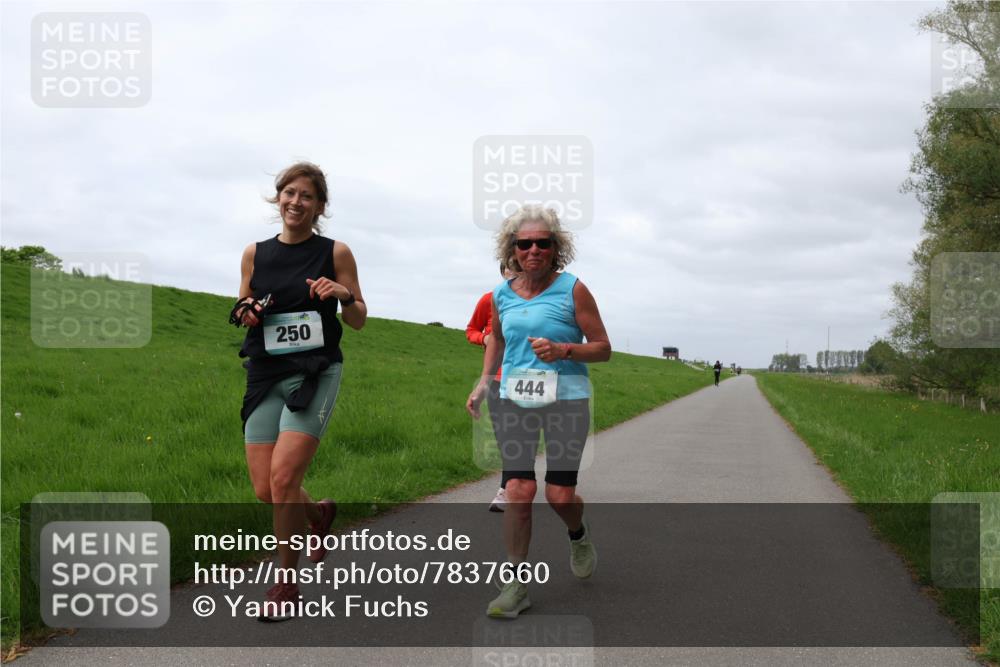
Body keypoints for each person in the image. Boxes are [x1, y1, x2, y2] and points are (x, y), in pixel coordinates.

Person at [230, 161, 367, 621]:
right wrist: (247, 311)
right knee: (265, 489)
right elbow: (243, 302)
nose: (296, 202)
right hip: (265, 372)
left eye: (306, 196)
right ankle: (318, 517)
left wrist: (342, 295)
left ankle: (286, 583)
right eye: (289, 193)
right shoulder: (254, 253)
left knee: (284, 479)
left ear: (320, 206)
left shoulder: (336, 252)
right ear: (278, 198)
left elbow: (359, 318)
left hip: (315, 371)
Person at [466, 205, 611, 619]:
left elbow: (603, 347)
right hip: (512, 397)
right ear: (512, 249)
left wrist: (565, 349)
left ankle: (577, 533)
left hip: (567, 398)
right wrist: (483, 381)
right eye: (524, 243)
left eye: (542, 243)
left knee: (559, 495)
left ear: (555, 248)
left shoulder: (573, 290)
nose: (533, 250)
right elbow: (495, 339)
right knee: (518, 489)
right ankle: (515, 585)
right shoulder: (500, 294)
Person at [466, 264, 517, 512]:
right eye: (509, 267)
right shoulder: (490, 299)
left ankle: (512, 485)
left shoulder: (535, 302)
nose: (514, 271)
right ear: (503, 270)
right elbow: (471, 329)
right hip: (497, 378)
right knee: (504, 435)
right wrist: (484, 338)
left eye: (517, 267)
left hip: (530, 378)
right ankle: (510, 485)